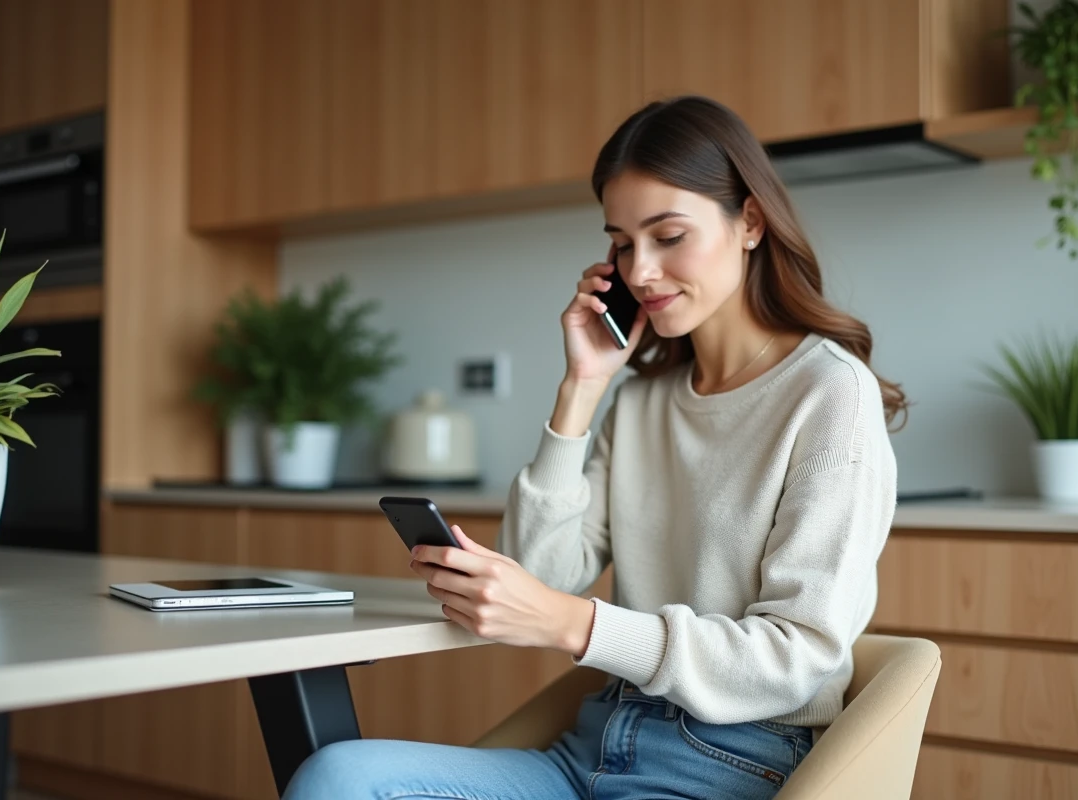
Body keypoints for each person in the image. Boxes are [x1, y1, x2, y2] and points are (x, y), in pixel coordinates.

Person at [282, 94, 904, 800]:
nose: (640, 271)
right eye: (623, 241)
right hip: (596, 743)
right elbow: (542, 572)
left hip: (729, 763)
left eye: (669, 236)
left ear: (750, 222)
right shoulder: (642, 402)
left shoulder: (829, 395)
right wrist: (580, 389)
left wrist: (573, 625)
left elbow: (796, 658)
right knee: (337, 776)